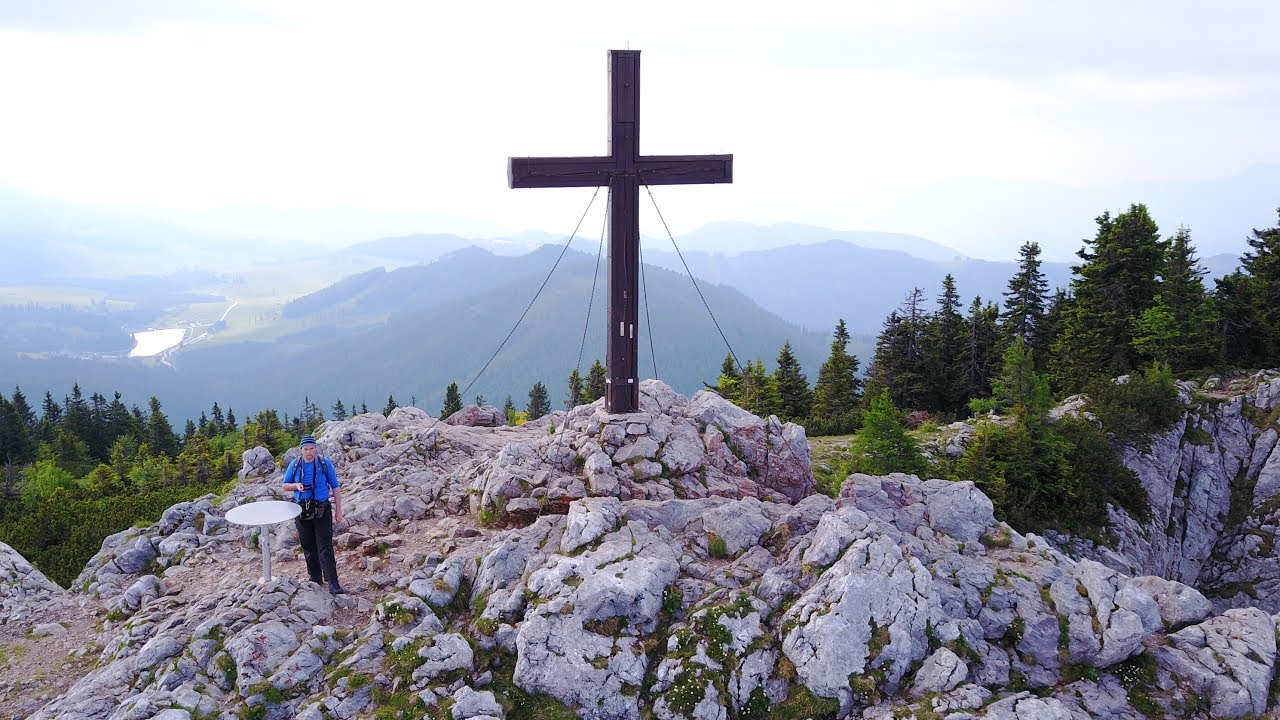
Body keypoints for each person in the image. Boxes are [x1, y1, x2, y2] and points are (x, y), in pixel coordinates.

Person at [281, 434, 346, 594]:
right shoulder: (295, 464)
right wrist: (296, 485)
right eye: (306, 449)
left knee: (325, 546)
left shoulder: (325, 463)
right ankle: (315, 576)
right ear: (301, 450)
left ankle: (332, 581)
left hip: (322, 509)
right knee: (308, 545)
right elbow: (284, 486)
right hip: (302, 510)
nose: (309, 452)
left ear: (315, 448)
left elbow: (335, 487)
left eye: (311, 448)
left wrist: (338, 511)